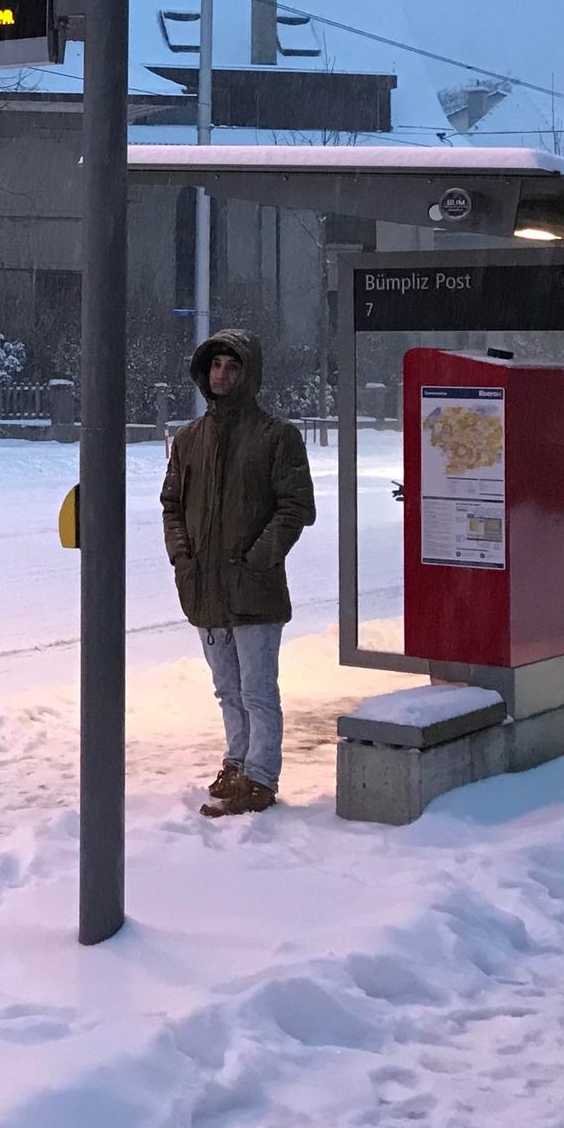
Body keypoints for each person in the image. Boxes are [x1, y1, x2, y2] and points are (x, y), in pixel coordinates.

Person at [159, 328, 316, 818]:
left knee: (257, 690)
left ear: (249, 374)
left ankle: (261, 777)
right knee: (227, 689)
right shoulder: (189, 439)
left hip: (255, 590)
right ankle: (237, 761)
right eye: (216, 366)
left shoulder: (277, 437)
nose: (222, 374)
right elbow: (172, 506)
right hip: (205, 589)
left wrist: (257, 559)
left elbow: (296, 508)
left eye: (232, 366)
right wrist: (183, 560)